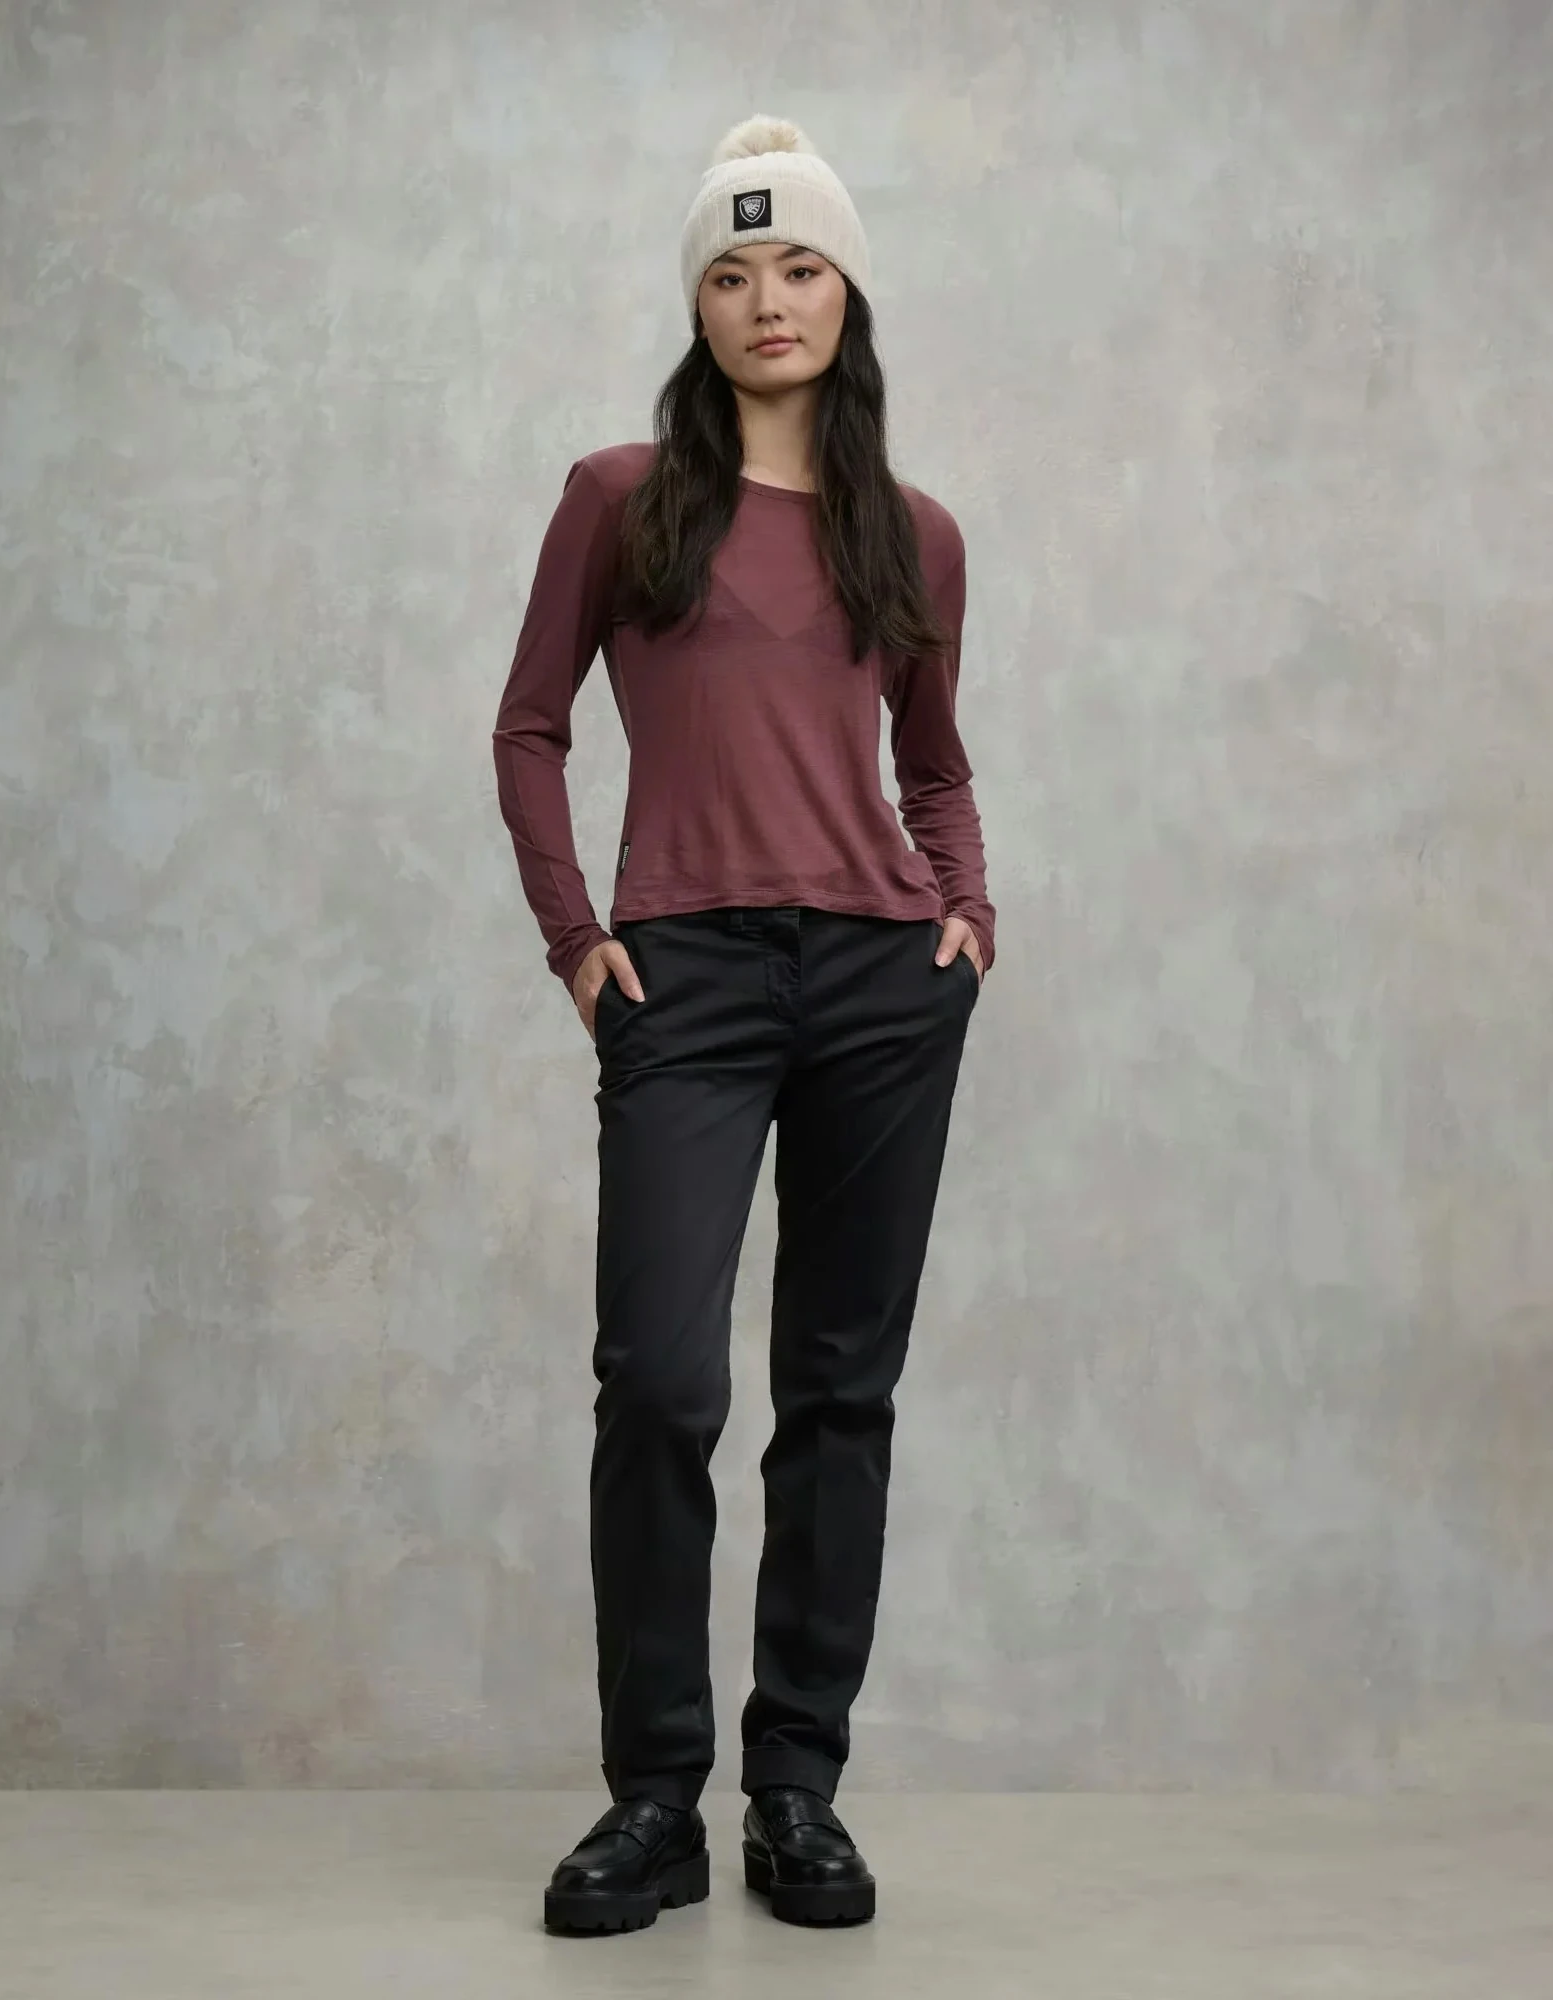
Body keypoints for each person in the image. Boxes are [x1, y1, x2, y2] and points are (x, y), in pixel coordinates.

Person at [489, 112, 995, 1936]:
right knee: (661, 1380)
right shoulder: (622, 497)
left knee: (838, 1393)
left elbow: (933, 764)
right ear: (695, 306)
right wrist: (577, 938)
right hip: (684, 981)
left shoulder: (914, 535)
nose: (766, 299)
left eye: (797, 266)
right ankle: (653, 1799)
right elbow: (528, 725)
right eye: (728, 271)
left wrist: (967, 917)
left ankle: (798, 1793)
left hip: (879, 984)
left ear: (848, 294)